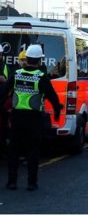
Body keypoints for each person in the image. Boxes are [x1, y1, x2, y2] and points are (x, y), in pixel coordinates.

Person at [4, 44, 62, 191]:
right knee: (33, 152)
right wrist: (56, 111)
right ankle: (31, 183)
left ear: (27, 58)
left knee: (13, 151)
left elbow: (3, 92)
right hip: (34, 119)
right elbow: (52, 97)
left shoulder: (16, 74)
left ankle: (12, 182)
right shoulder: (41, 77)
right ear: (39, 61)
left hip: (17, 118)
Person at [0, 44, 10, 157]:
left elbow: (6, 80)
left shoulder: (4, 66)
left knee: (3, 128)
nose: (1, 55)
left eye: (1, 54)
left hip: (2, 100)